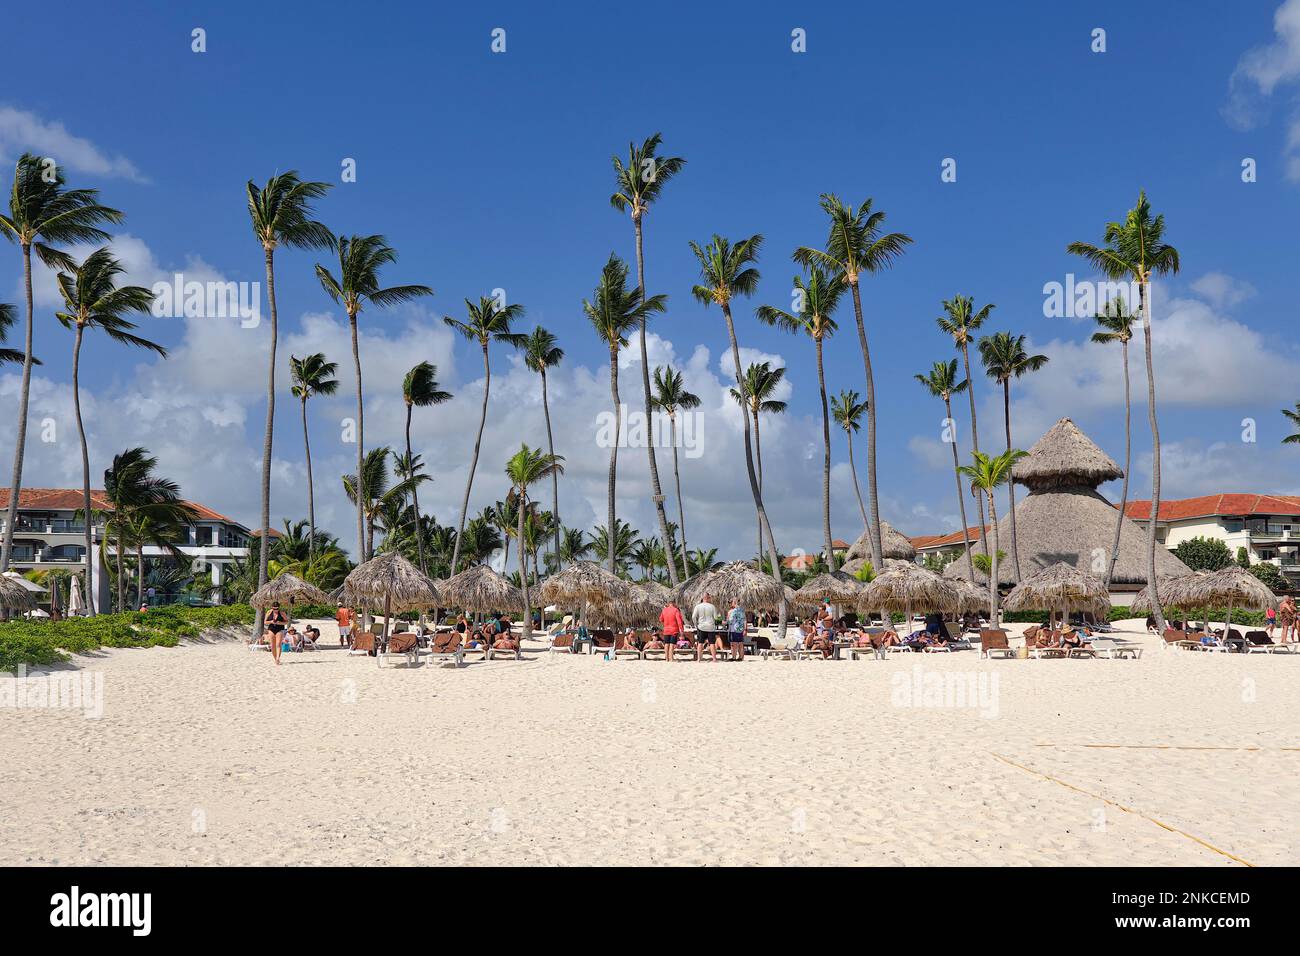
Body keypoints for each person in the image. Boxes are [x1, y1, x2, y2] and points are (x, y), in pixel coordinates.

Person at [693, 593, 720, 661]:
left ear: (702, 598)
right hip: (710, 627)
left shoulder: (698, 606)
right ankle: (714, 659)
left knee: (700, 643)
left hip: (701, 626)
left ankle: (699, 659)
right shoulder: (712, 606)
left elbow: (693, 617)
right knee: (712, 643)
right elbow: (716, 618)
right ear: (708, 598)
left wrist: (696, 624)